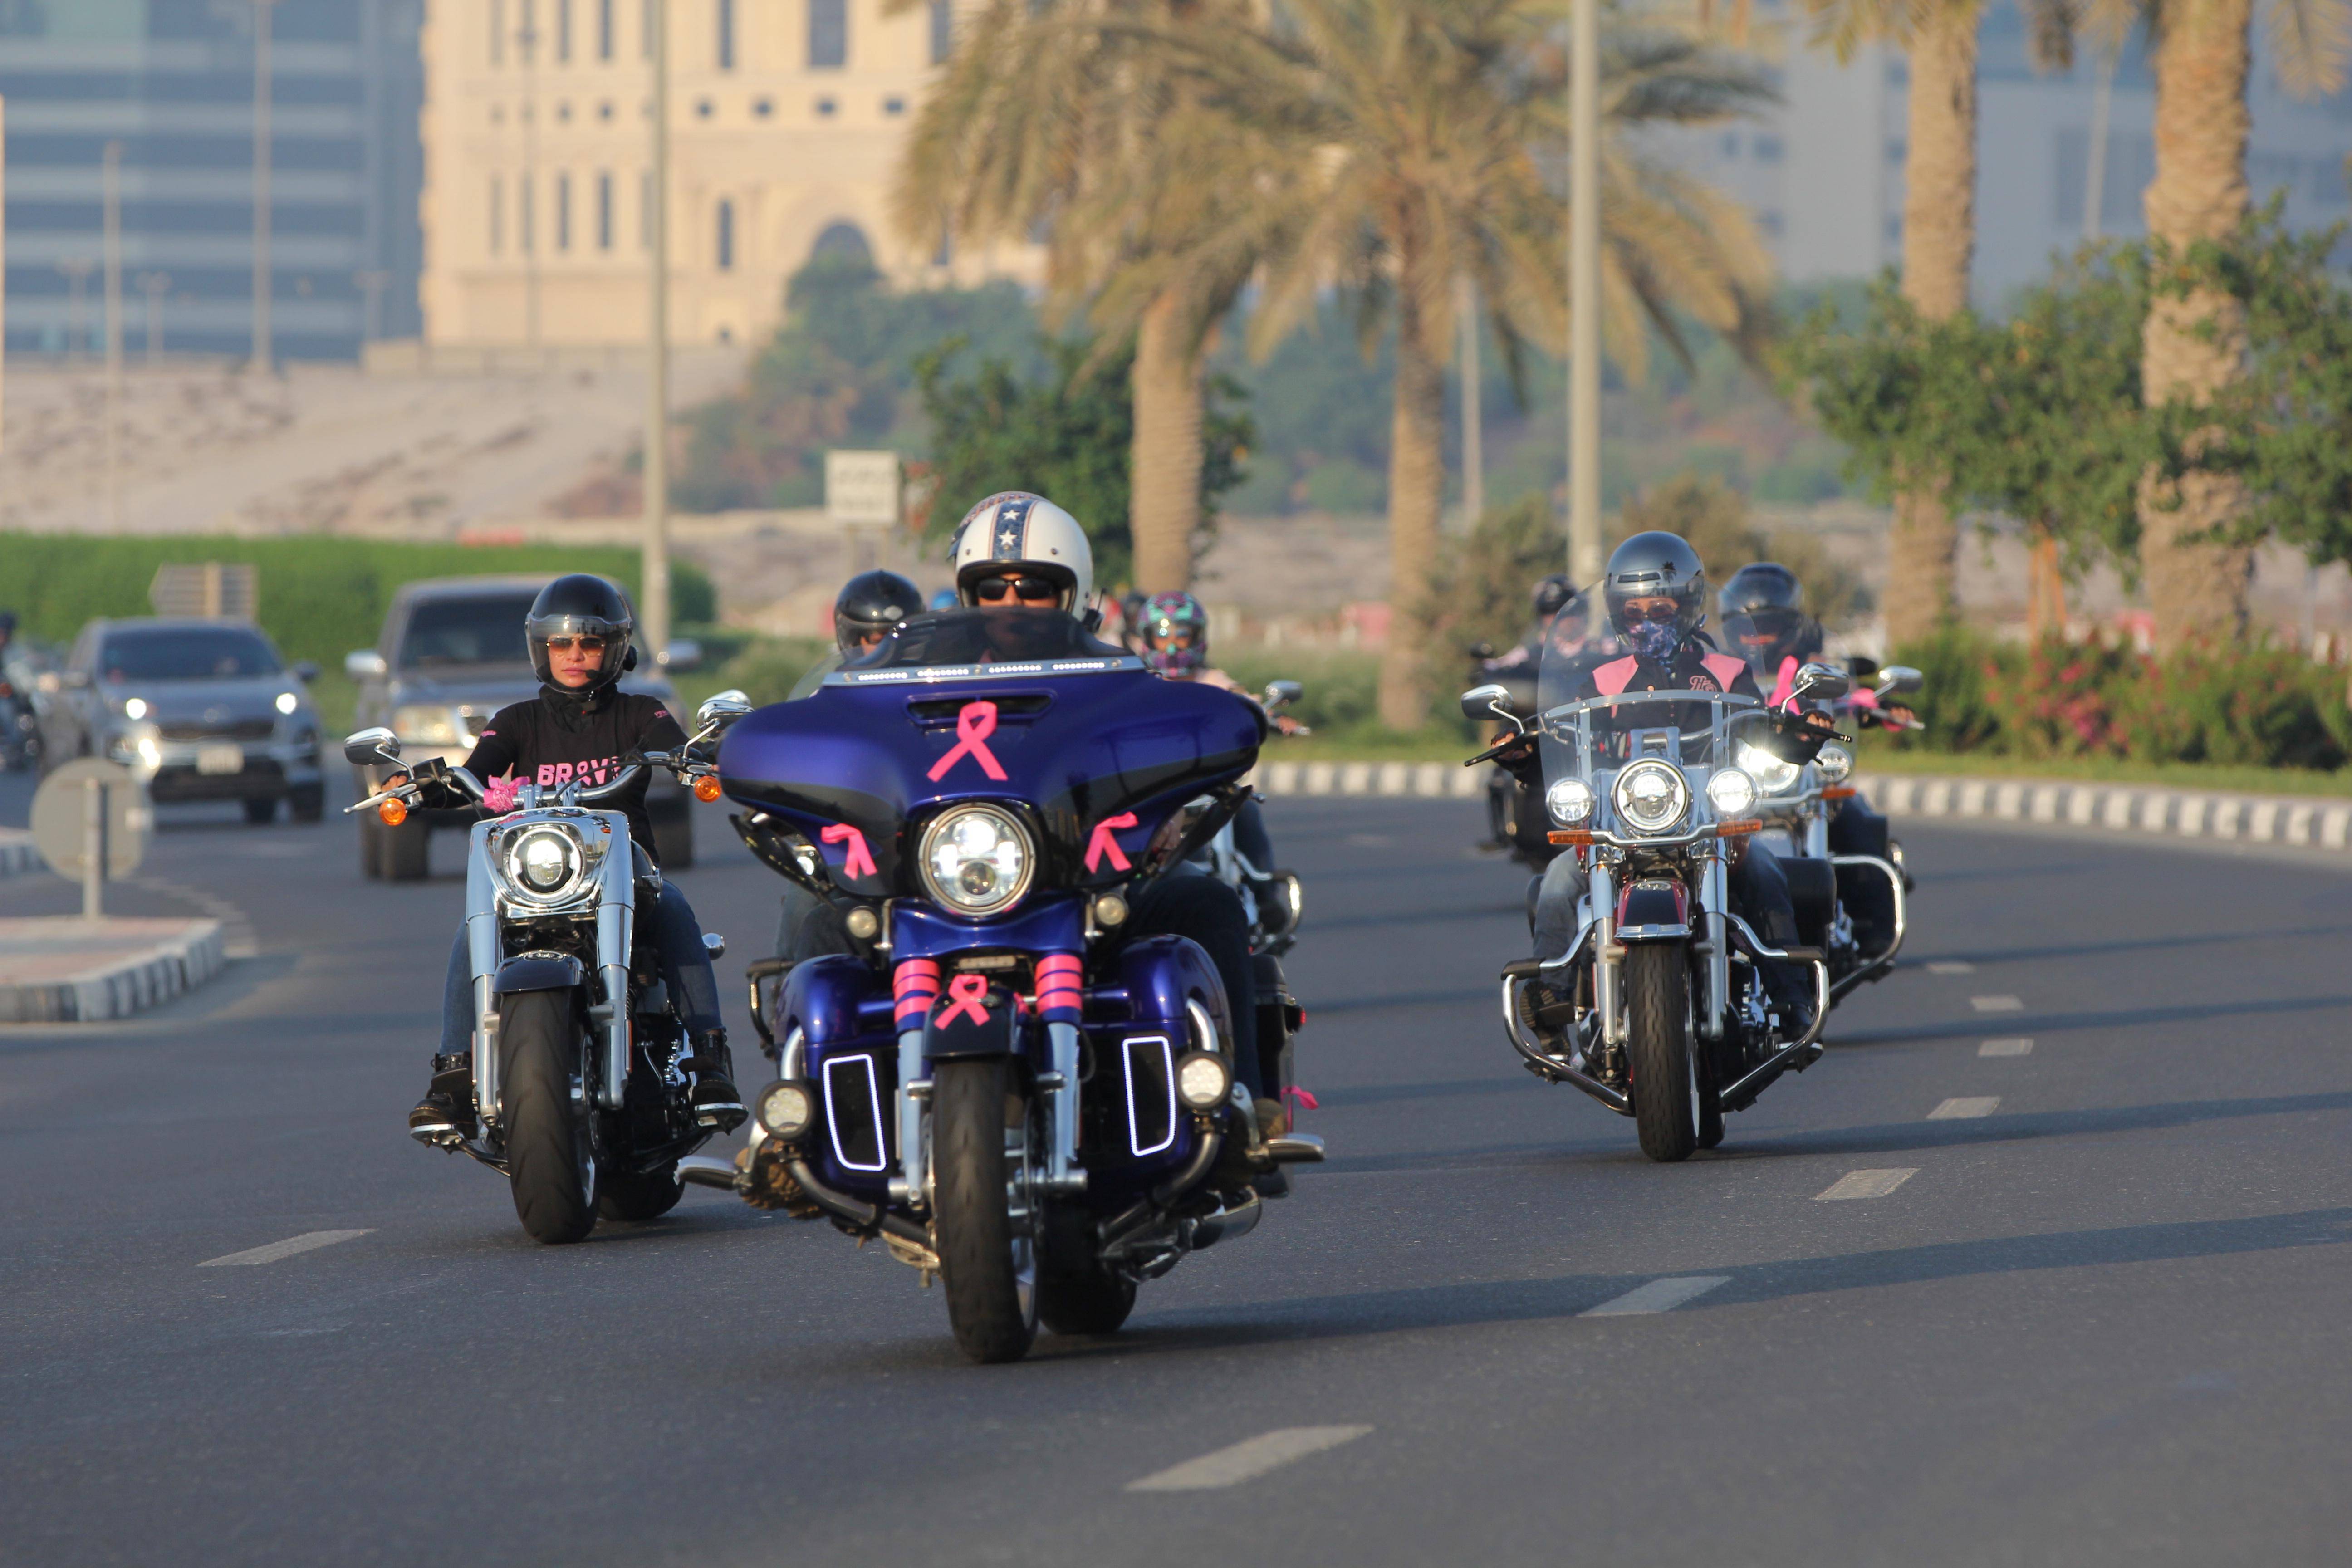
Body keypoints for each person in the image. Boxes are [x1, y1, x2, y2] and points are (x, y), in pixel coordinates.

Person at [950, 494, 1281, 1127]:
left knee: (1208, 902)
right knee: (822, 916)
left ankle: (1244, 1102)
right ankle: (799, 1116)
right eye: (992, 586)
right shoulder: (925, 685)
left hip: (1100, 886)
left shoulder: (1120, 681)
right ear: (969, 595)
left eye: (1037, 587)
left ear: (1072, 595)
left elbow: (1167, 752)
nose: (1012, 603)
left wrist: (1170, 809)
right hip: (956, 888)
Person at [404, 574, 744, 1143]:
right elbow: (479, 767)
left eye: (589, 643)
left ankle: (711, 1064)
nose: (575, 655)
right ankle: (454, 1077)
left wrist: (690, 756)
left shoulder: (640, 713)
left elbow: (672, 742)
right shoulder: (517, 722)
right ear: (542, 648)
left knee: (677, 912)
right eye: (561, 644)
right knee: (472, 932)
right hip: (537, 878)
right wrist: (425, 785)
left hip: (624, 868)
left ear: (614, 649)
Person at [1499, 532, 1817, 1034]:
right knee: (1557, 882)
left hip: (1709, 825)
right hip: (1619, 828)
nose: (1647, 621)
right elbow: (1566, 739)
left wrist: (1801, 736)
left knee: (1766, 876)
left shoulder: (1728, 673)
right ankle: (1552, 1002)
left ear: (1689, 606)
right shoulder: (1603, 681)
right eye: (1633, 611)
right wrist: (1525, 753)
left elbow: (1761, 731)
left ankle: (1793, 1001)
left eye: (1661, 609)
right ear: (1617, 614)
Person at [1718, 562, 1906, 949]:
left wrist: (1873, 709)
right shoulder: (1724, 670)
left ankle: (1875, 928)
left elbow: (1847, 695)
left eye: (1769, 623)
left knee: (1857, 821)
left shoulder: (1815, 666)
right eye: (1750, 625)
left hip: (1803, 774)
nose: (1759, 634)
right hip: (1743, 781)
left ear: (1792, 622)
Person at [1135, 590, 1297, 934]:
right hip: (1156, 788)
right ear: (1147, 640)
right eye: (1162, 637)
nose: (1173, 646)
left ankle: (1265, 896)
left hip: (1208, 782)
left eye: (1182, 635)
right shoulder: (1137, 685)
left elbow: (1242, 699)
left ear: (1198, 638)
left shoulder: (1212, 681)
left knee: (1246, 811)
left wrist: (1266, 715)